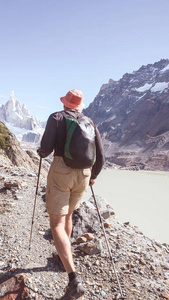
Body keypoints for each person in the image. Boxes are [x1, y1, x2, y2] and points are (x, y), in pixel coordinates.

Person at [37, 89, 104, 299]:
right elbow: (100, 157)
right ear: (79, 106)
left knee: (56, 223)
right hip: (83, 175)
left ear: (65, 104)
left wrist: (40, 152)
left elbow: (46, 149)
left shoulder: (56, 118)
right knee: (68, 216)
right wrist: (92, 176)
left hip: (62, 171)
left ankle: (73, 280)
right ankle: (63, 257)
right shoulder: (90, 122)